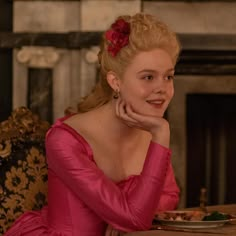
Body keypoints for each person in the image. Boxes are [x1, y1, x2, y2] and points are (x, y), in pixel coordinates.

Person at [4, 12, 181, 236]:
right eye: (148, 77)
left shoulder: (149, 131)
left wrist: (120, 220)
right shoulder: (65, 140)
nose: (162, 89)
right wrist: (162, 131)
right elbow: (135, 219)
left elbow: (168, 197)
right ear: (115, 81)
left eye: (168, 77)